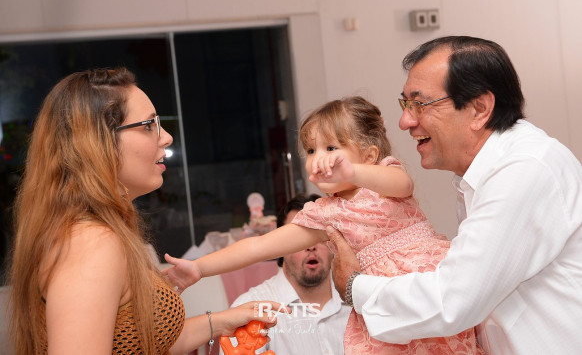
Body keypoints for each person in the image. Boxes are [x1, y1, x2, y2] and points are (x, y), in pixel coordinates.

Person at [164, 96, 483, 354]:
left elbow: (404, 184)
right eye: (311, 150)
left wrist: (352, 173)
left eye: (331, 148)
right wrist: (199, 268)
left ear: (369, 155)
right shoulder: (326, 214)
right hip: (382, 310)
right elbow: (258, 246)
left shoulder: (385, 179)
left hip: (428, 290)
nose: (318, 158)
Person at [327, 36, 582, 355]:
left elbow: (453, 299)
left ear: (479, 109)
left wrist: (354, 286)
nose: (405, 121)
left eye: (420, 104)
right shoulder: (485, 172)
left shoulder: (525, 169)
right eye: (405, 104)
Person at [7, 68, 282, 355]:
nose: (167, 137)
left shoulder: (102, 231)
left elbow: (141, 344)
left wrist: (221, 321)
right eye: (149, 125)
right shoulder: (89, 244)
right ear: (99, 142)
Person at [224, 193, 351, 355]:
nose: (310, 246)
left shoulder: (359, 299)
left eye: (319, 235)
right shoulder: (252, 310)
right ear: (280, 247)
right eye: (299, 237)